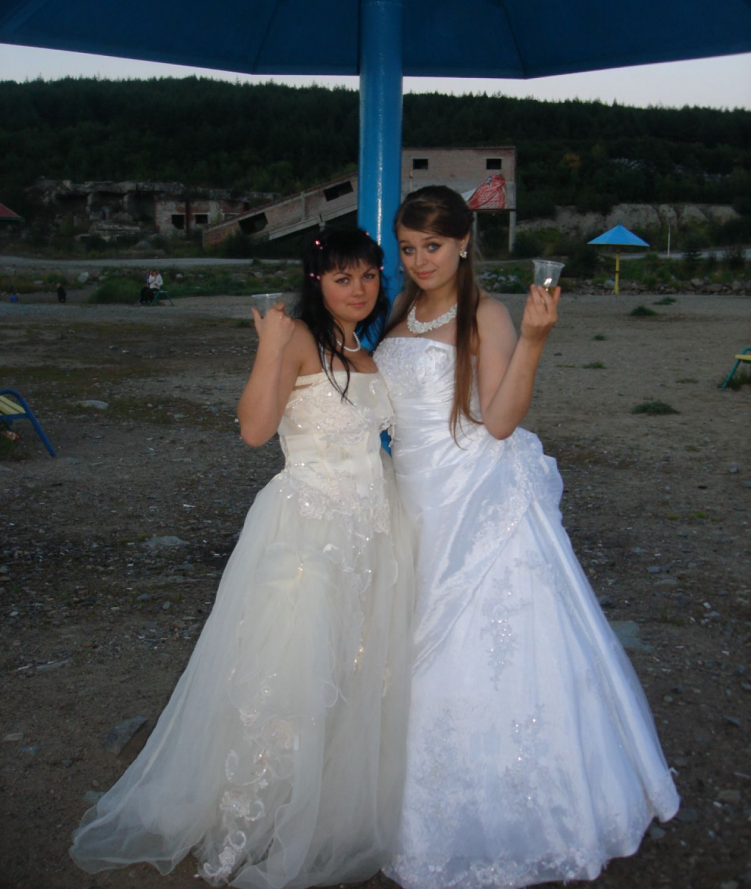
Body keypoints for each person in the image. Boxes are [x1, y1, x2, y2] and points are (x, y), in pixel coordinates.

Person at [71, 228, 413, 887]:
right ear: (317, 282)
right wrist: (267, 347)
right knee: (290, 673)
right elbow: (255, 429)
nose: (359, 289)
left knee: (355, 667)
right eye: (342, 278)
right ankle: (256, 817)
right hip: (308, 528)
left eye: (369, 276)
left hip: (372, 530)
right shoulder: (298, 339)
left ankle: (324, 806)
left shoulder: (367, 354)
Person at [373, 186, 679, 889]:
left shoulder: (485, 313)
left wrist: (534, 341)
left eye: (433, 246)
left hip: (472, 495)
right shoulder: (401, 311)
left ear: (463, 243)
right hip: (411, 494)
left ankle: (513, 811)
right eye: (409, 248)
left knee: (479, 647)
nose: (419, 261)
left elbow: (502, 420)